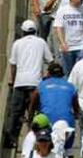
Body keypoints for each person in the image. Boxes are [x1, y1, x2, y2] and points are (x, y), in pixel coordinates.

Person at [4, 20, 53, 149]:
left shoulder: (17, 44)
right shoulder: (41, 42)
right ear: (35, 30)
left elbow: (13, 65)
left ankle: (11, 140)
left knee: (16, 113)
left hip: (20, 83)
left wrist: (13, 80)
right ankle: (37, 140)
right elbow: (51, 61)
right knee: (37, 113)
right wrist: (46, 76)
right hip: (36, 83)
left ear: (23, 31)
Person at [53, 0, 83, 75]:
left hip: (82, 46)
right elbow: (59, 28)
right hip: (68, 46)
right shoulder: (62, 11)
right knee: (68, 72)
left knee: (81, 72)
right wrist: (62, 43)